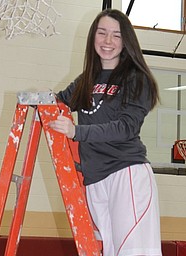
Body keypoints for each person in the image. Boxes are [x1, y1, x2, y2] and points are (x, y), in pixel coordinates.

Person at [49, 8, 162, 256]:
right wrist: (40, 102)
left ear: (126, 41)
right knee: (105, 252)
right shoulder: (85, 79)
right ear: (93, 38)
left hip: (126, 173)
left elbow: (126, 127)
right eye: (102, 33)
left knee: (134, 253)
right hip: (94, 179)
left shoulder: (136, 78)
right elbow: (58, 102)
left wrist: (76, 132)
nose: (108, 41)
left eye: (116, 35)